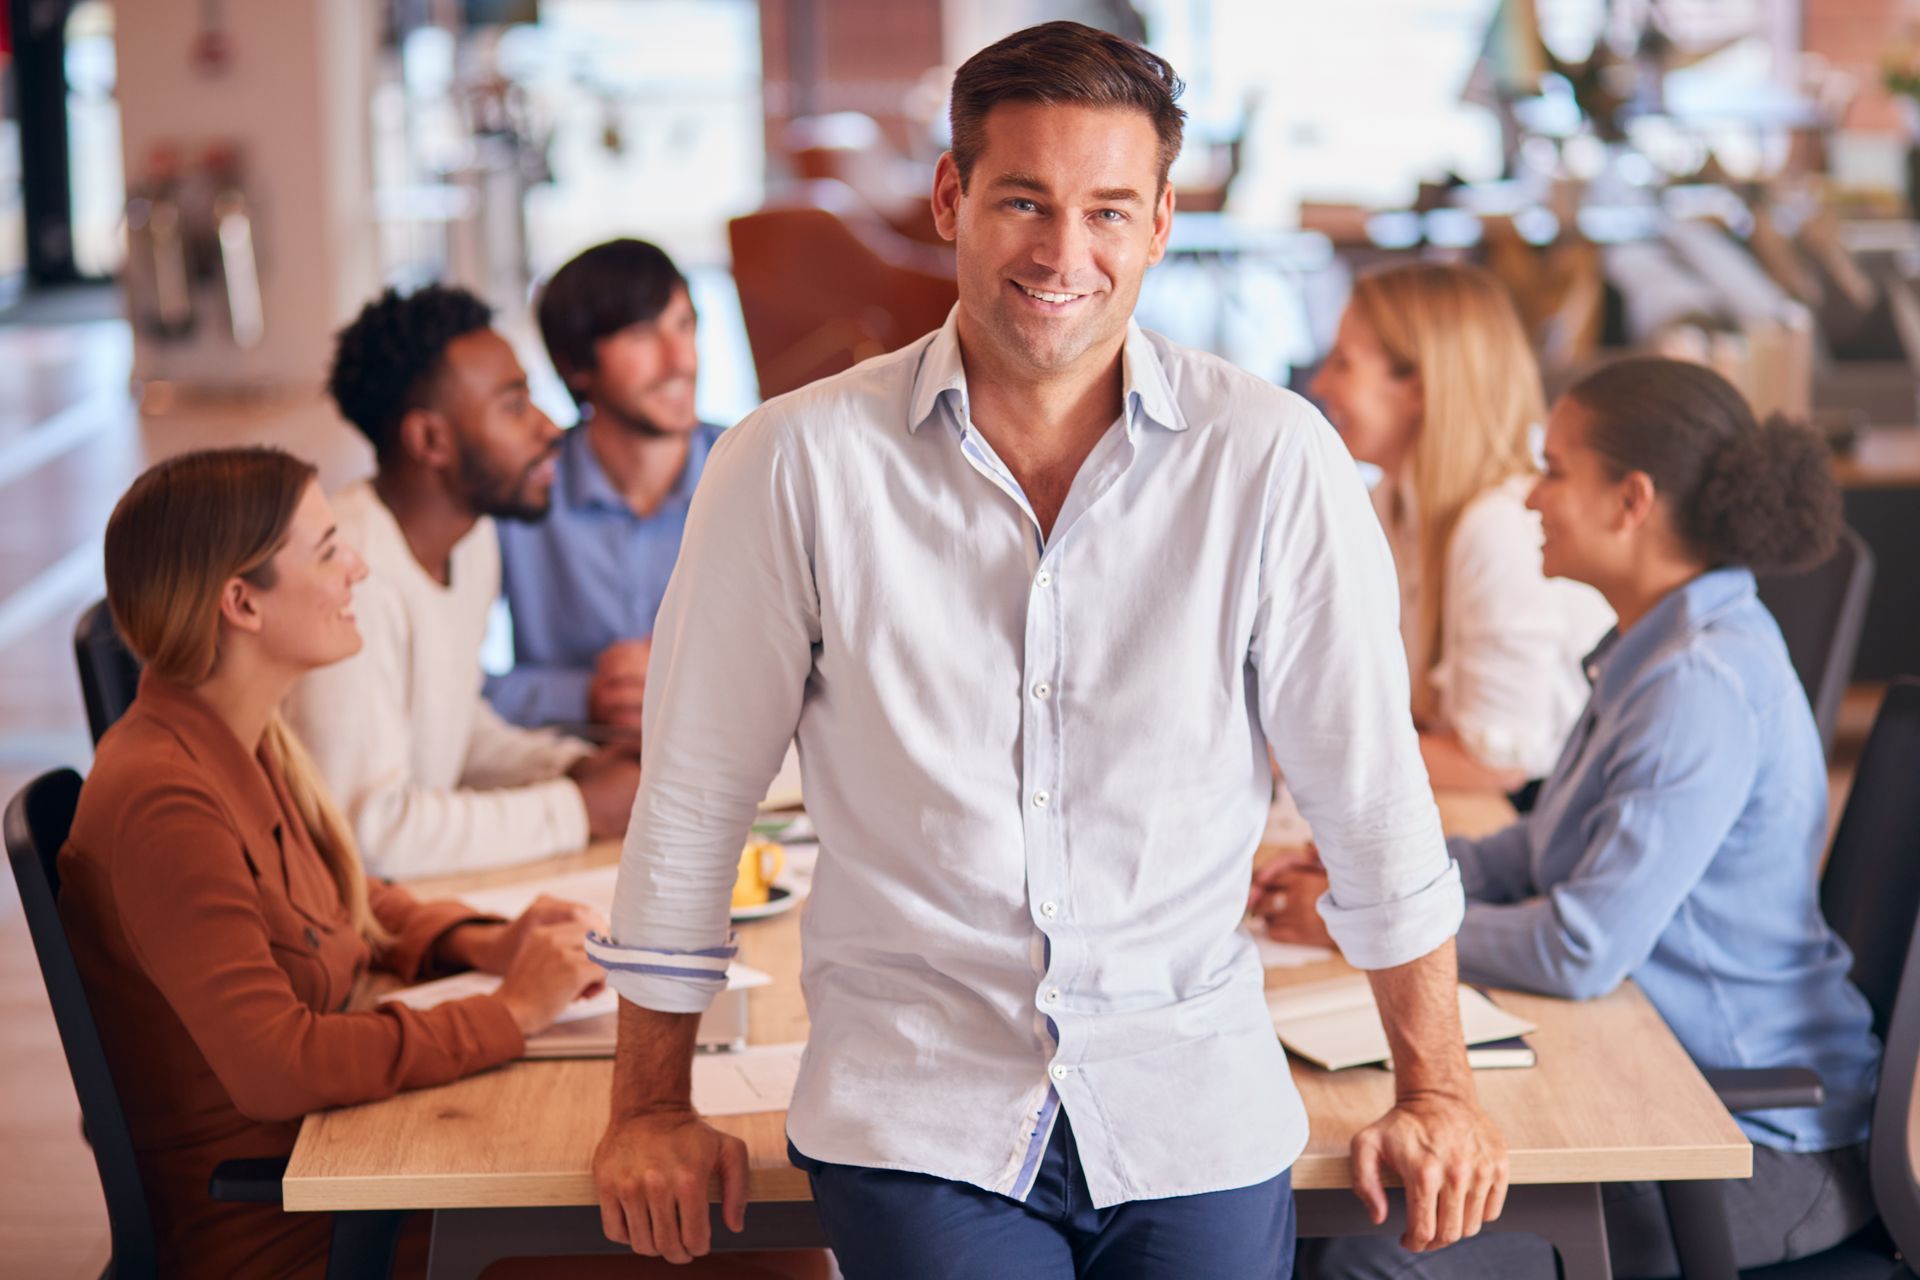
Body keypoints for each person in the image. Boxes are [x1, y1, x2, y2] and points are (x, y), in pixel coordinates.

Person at [588, 22, 1506, 1280]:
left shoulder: (1275, 459)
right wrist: (648, 1104)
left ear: (1163, 222)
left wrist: (1436, 1086)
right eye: (1025, 200)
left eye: (1109, 211)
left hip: (1193, 1096)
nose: (1065, 254)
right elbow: (693, 799)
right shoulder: (792, 463)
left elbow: (1372, 797)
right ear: (952, 197)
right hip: (919, 1104)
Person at [1264, 358, 1882, 1278]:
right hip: (1680, 1091)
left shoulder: (1700, 683)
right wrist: (1375, 877)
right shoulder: (1653, 647)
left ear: (1631, 500)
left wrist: (1378, 930)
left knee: (1367, 1258)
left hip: (1755, 1149)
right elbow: (1542, 847)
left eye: (1553, 469)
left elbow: (1578, 949)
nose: (1529, 501)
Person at [58, 448, 607, 1279]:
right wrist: (512, 1013)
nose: (359, 567)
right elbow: (279, 1067)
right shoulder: (162, 801)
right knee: (735, 1255)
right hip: (294, 1226)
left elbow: (343, 900)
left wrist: (480, 943)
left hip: (349, 1174)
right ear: (241, 602)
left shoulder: (239, 732)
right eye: (327, 551)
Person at [285, 285, 640, 880]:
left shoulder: (471, 540)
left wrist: (575, 767)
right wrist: (578, 809)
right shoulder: (351, 575)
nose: (551, 428)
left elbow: (452, 732)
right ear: (429, 440)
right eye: (514, 405)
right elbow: (371, 836)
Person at [1307, 263, 1613, 797]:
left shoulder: (1497, 527)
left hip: (1537, 823)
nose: (1319, 384)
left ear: (1419, 388)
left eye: (1342, 364)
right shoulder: (1391, 504)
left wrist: (1295, 746)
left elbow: (1493, 767)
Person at [488, 239, 727, 731]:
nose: (679, 359)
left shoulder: (758, 474)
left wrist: (703, 680)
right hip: (573, 773)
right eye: (642, 334)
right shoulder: (520, 496)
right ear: (576, 366)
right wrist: (583, 697)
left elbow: (833, 658)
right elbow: (453, 685)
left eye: (686, 325)